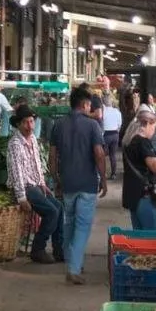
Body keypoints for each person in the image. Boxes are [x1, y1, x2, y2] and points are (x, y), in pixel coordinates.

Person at [48, 87, 108, 285]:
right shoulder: (92, 126)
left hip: (67, 183)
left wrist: (56, 179)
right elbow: (99, 154)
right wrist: (104, 178)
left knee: (69, 222)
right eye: (89, 104)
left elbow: (52, 156)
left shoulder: (58, 125)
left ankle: (72, 260)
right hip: (87, 183)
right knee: (82, 226)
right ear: (84, 105)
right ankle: (73, 268)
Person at [6, 104, 63, 264]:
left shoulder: (32, 140)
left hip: (36, 185)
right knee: (51, 212)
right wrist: (22, 198)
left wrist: (42, 183)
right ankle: (38, 249)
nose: (30, 126)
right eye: (26, 122)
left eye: (32, 121)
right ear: (18, 124)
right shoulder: (15, 144)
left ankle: (59, 249)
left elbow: (37, 163)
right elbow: (17, 172)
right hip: (25, 187)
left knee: (59, 207)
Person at [121, 108, 156, 231]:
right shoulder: (143, 142)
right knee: (150, 235)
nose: (154, 131)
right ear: (146, 124)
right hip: (144, 196)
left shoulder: (128, 140)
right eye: (153, 127)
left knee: (138, 233)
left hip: (132, 194)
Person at [101, 93, 123, 181]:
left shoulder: (103, 111)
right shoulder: (117, 111)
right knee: (112, 155)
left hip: (106, 134)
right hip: (115, 134)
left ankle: (103, 173)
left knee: (102, 156)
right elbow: (120, 124)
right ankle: (113, 173)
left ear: (103, 102)